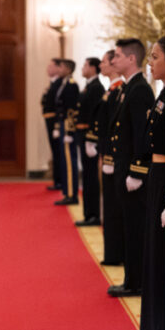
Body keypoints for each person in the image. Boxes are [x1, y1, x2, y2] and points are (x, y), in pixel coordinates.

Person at [106, 38, 156, 297]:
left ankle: (135, 282)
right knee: (130, 226)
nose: (114, 60)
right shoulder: (129, 88)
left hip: (132, 175)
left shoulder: (139, 90)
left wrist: (137, 171)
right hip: (123, 170)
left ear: (131, 59)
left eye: (117, 56)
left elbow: (142, 135)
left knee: (135, 228)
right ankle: (132, 278)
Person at [137, 37, 165, 330]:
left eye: (156, 56)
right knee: (156, 261)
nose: (151, 61)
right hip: (157, 176)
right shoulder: (164, 94)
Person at [92, 50, 125, 265]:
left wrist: (109, 156)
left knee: (114, 207)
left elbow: (115, 128)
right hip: (106, 153)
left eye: (105, 62)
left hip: (113, 156)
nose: (102, 65)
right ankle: (112, 252)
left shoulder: (119, 90)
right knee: (110, 205)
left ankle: (116, 253)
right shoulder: (110, 90)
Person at [74, 57, 105, 225]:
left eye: (85, 65)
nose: (83, 68)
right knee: (87, 175)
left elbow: (95, 116)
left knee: (91, 176)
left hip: (88, 136)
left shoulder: (96, 88)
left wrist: (91, 139)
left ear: (93, 68)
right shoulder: (89, 87)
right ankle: (88, 214)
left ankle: (93, 215)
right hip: (82, 134)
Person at [54, 59, 80, 205]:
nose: (59, 69)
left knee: (70, 161)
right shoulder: (63, 83)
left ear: (69, 70)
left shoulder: (71, 85)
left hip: (68, 126)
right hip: (63, 124)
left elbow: (71, 110)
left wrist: (69, 132)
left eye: (62, 67)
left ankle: (72, 194)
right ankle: (67, 191)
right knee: (65, 161)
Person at [41, 59, 64, 191]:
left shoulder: (59, 83)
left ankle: (60, 181)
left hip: (55, 121)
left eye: (51, 65)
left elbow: (59, 106)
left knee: (58, 152)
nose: (48, 68)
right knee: (55, 151)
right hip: (49, 119)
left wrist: (56, 126)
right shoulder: (53, 83)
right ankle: (57, 180)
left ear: (58, 67)